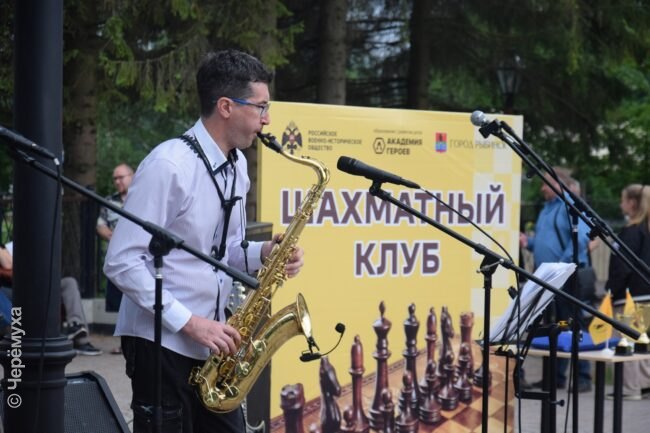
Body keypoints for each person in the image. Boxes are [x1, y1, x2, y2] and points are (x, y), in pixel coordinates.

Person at [104, 49, 304, 433]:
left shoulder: (237, 166)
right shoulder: (169, 166)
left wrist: (266, 253)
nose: (267, 119)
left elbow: (224, 251)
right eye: (261, 107)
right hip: (161, 342)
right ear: (226, 106)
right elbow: (121, 261)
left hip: (211, 344)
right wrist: (190, 322)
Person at [520, 168, 593, 392]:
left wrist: (561, 266)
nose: (542, 188)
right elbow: (546, 241)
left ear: (559, 184)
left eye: (546, 183)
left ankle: (583, 376)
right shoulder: (547, 208)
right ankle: (555, 377)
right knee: (556, 327)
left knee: (573, 325)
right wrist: (529, 242)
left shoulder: (569, 206)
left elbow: (581, 238)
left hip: (566, 276)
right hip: (550, 277)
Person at [0, 241, 102, 355]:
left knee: (69, 283)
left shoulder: (16, 245)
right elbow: (8, 264)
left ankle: (76, 329)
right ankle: (15, 338)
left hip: (37, 286)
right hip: (11, 291)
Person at [605, 183, 650, 400]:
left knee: (626, 341)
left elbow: (623, 266)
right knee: (643, 340)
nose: (620, 204)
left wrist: (612, 290)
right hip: (646, 294)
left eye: (623, 200)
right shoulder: (645, 230)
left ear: (632, 203)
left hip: (630, 297)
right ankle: (645, 384)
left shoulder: (632, 232)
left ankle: (630, 388)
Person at [97, 163, 134, 355]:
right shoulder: (109, 201)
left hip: (139, 260)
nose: (118, 181)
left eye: (121, 177)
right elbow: (100, 225)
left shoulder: (140, 197)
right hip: (118, 261)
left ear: (132, 176)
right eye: (115, 178)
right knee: (120, 305)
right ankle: (124, 344)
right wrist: (115, 237)